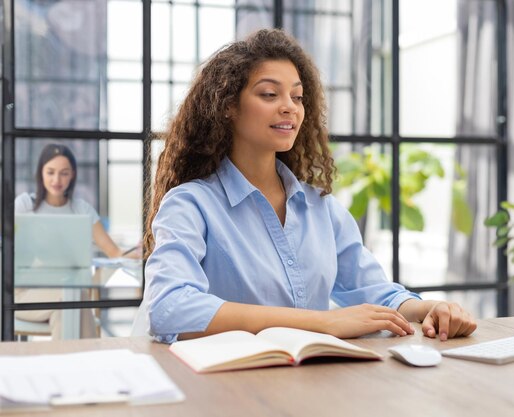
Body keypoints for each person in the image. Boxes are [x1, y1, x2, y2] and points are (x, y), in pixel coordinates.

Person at [144, 28, 477, 344]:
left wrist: (429, 309)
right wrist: (324, 322)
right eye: (269, 94)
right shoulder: (190, 205)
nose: (289, 106)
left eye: (298, 96)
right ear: (228, 105)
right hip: (233, 390)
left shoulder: (320, 207)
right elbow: (170, 308)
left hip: (313, 382)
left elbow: (373, 292)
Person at [14, 143, 135, 339]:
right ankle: (88, 362)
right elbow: (9, 244)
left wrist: (137, 252)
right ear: (41, 173)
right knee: (73, 301)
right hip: (25, 293)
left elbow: (114, 252)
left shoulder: (82, 209)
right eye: (50, 172)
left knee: (68, 303)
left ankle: (67, 366)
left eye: (64, 173)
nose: (56, 179)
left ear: (72, 175)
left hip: (69, 292)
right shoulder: (24, 205)